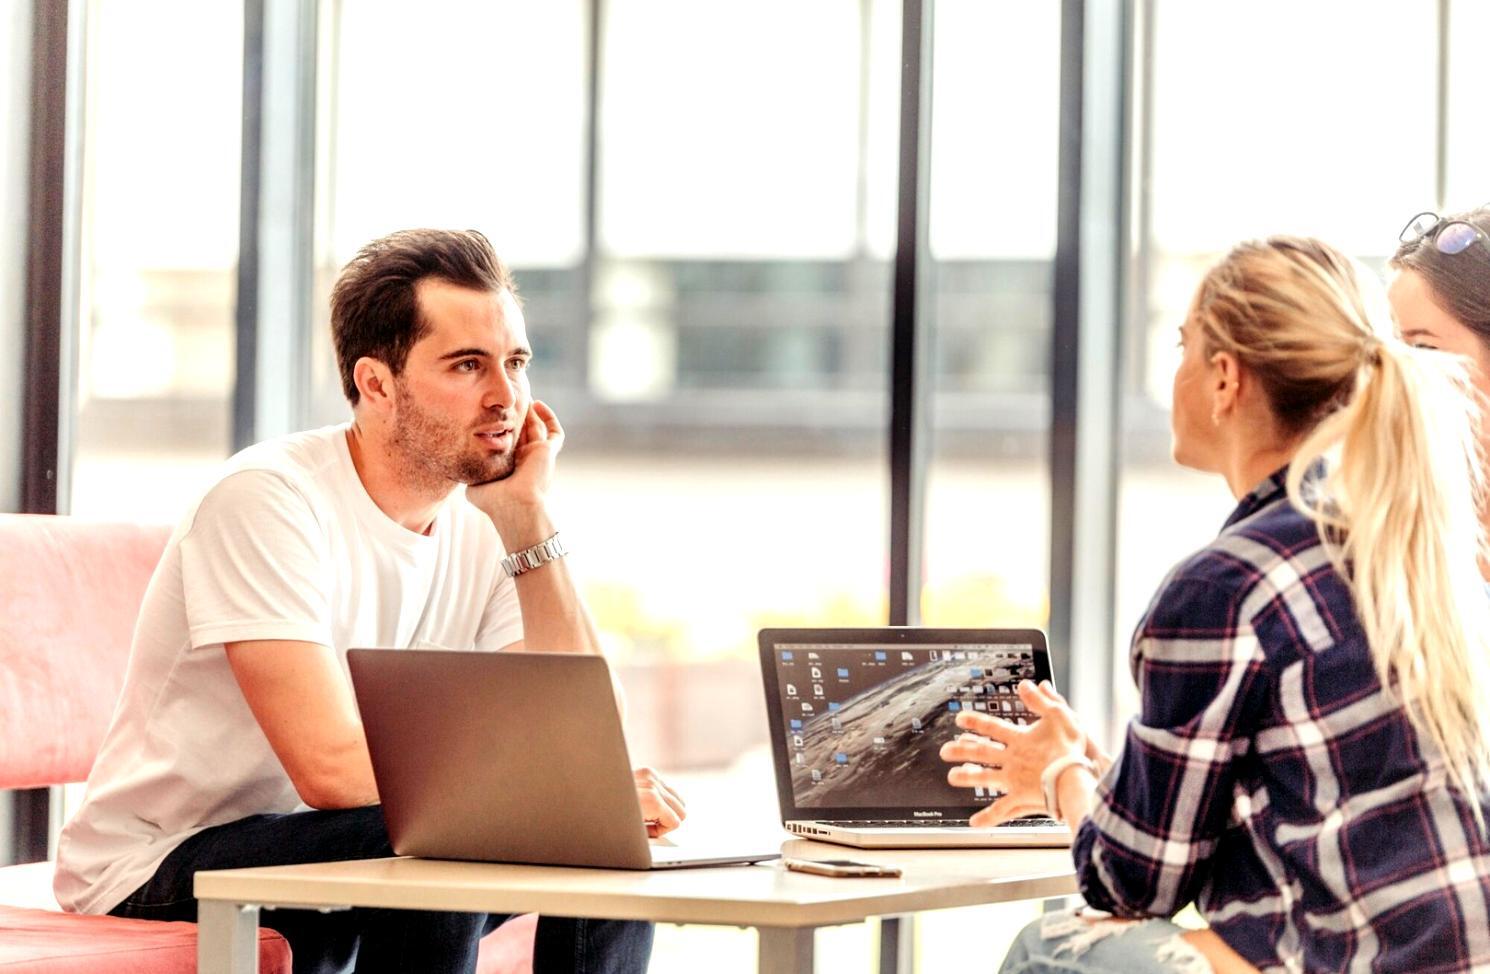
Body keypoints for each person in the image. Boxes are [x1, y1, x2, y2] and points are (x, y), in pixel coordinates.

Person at [53, 228, 686, 974]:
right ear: (377, 384)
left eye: (515, 363)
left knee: (607, 839)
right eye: (467, 365)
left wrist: (529, 520)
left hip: (353, 842)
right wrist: (557, 794)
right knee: (446, 838)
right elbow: (329, 769)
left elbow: (582, 741)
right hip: (164, 860)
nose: (507, 397)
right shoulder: (268, 500)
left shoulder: (488, 523)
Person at [942, 236, 1490, 972]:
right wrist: (1117, 782)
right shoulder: (1400, 537)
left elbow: (1130, 883)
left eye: (1182, 346)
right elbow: (1310, 818)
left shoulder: (1225, 585)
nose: (1173, 376)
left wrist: (1059, 773)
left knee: (1052, 950)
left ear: (1225, 379)